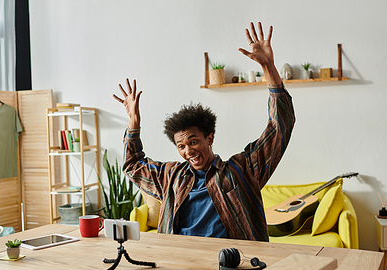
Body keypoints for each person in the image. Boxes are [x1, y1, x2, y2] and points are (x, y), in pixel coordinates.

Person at [113, 22, 295, 241]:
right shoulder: (171, 177)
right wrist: (134, 122)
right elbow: (132, 166)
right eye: (181, 146)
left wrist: (268, 68)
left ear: (210, 138)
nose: (188, 150)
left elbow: (279, 128)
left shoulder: (241, 171)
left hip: (229, 260)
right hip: (179, 258)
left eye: (193, 141)